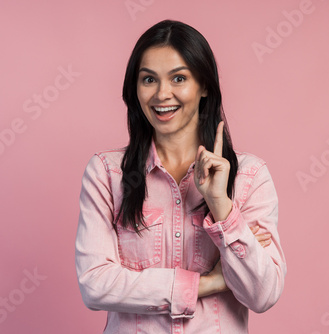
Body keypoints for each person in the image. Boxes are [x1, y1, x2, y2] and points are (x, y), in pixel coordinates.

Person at [75, 19, 286, 333]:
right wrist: (209, 282)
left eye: (178, 78)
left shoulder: (249, 176)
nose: (162, 94)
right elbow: (95, 284)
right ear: (135, 88)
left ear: (203, 85)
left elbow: (263, 294)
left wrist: (222, 207)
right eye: (149, 79)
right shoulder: (108, 173)